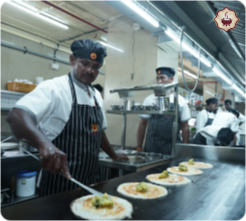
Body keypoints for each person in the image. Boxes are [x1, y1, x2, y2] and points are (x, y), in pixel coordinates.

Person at [6, 39, 128, 196]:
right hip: (59, 181)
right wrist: (44, 144)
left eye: (95, 67)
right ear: (72, 60)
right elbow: (16, 116)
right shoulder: (54, 88)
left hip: (92, 178)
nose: (90, 70)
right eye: (84, 63)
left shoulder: (97, 95)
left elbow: (98, 131)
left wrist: (113, 154)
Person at [136, 67, 191, 155]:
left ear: (171, 79)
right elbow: (143, 123)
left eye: (162, 78)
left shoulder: (180, 100)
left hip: (172, 145)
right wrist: (139, 145)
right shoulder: (150, 99)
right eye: (158, 78)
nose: (159, 81)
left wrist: (185, 148)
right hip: (152, 145)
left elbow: (185, 126)